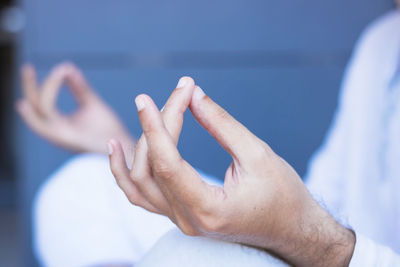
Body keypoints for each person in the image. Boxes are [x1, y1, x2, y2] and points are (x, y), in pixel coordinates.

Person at [17, 8, 400, 267]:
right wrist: (129, 148)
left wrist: (301, 235)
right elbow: (326, 203)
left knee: (186, 255)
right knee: (79, 185)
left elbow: (315, 234)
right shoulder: (383, 42)